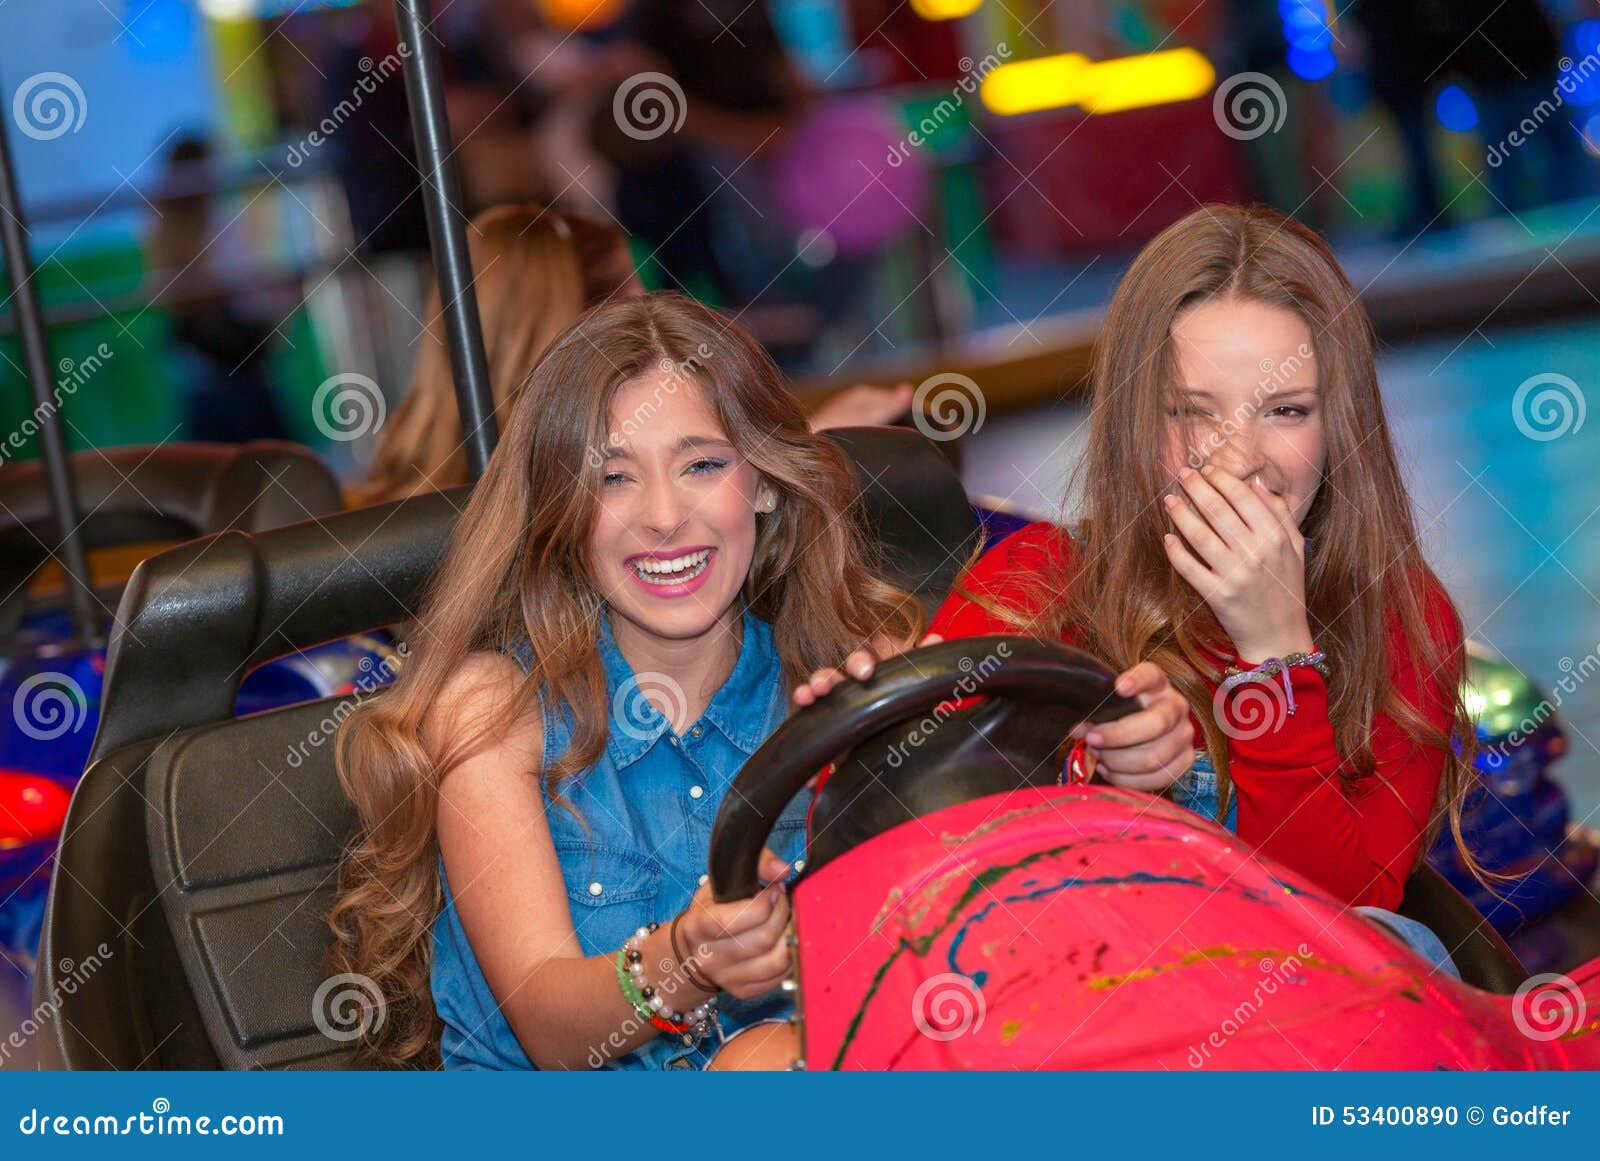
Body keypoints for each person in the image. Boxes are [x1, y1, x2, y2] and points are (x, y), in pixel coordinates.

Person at [797, 204, 1480, 971]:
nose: (1238, 458)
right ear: (1136, 420)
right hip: (1079, 1024)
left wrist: (1277, 659)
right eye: (1192, 414)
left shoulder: (1401, 615)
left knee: (1403, 946)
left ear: (1341, 424)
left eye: (1286, 411)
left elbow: (1335, 940)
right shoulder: (1039, 584)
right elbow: (894, 855)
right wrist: (1079, 771)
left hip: (1289, 1039)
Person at [328, 293, 923, 1069]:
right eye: (613, 479)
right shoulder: (492, 711)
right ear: (563, 513)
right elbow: (549, 1022)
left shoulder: (841, 676)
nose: (665, 516)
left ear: (766, 482)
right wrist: (686, 958)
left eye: (703, 465)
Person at [349, 202, 913, 508]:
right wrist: (810, 453)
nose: (653, 324)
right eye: (633, 298)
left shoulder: (401, 495)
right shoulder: (542, 508)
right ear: (585, 328)